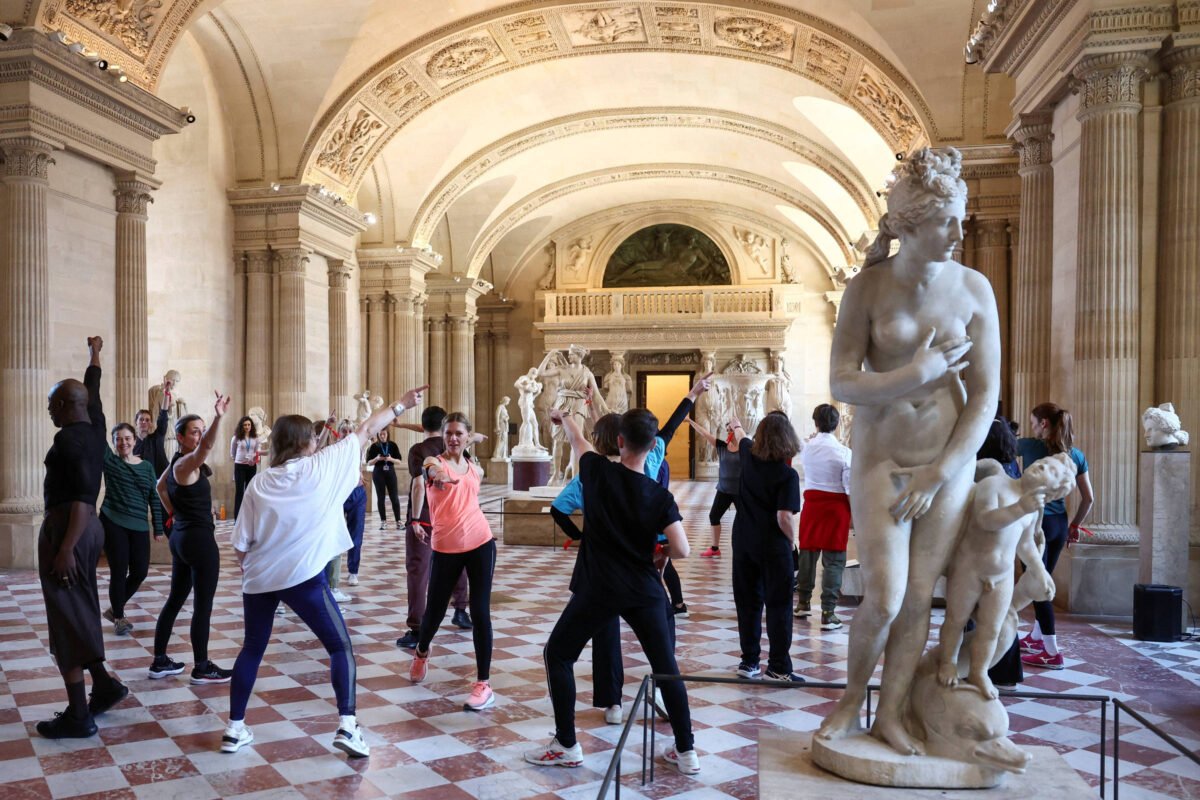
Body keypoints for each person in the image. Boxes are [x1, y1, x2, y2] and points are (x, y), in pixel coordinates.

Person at [816, 147, 1000, 756]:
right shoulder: (867, 289)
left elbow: (985, 396)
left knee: (921, 596)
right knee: (886, 595)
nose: (958, 231)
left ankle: (889, 714)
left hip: (946, 466)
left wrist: (946, 471)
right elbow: (842, 383)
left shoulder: (974, 290)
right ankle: (850, 701)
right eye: (945, 219)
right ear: (909, 224)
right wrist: (917, 371)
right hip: (880, 463)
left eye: (961, 216)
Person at [220, 384, 428, 758]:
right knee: (339, 646)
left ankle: (234, 729)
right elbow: (365, 429)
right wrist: (402, 404)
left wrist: (254, 573)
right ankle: (348, 726)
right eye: (313, 439)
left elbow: (239, 544)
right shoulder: (321, 466)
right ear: (305, 443)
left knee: (252, 648)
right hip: (303, 578)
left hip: (259, 579)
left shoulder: (259, 482)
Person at [526, 407, 699, 775]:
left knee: (558, 654)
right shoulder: (658, 495)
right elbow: (682, 549)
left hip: (599, 588)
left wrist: (565, 416)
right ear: (653, 446)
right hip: (644, 590)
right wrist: (662, 553)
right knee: (667, 669)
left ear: (619, 442)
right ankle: (686, 752)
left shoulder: (597, 472)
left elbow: (578, 440)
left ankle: (567, 744)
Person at [36, 336, 128, 738]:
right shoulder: (95, 425)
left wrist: (65, 548)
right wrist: (94, 354)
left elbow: (79, 495)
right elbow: (93, 389)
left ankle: (78, 715)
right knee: (81, 605)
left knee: (65, 614)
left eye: (53, 403)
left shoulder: (69, 439)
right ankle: (104, 686)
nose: (49, 410)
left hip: (70, 528)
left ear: (65, 407)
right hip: (90, 529)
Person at [937, 453, 1075, 698]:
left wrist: (1039, 571)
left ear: (1052, 492)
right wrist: (1020, 508)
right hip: (969, 568)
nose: (1042, 465)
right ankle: (948, 662)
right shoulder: (995, 484)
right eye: (1042, 462)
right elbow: (985, 520)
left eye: (1051, 471)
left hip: (1002, 576)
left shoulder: (1032, 511)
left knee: (993, 628)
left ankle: (979, 671)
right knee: (956, 619)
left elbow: (1025, 545)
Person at [408, 413, 497, 713]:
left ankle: (483, 683)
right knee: (434, 611)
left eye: (459, 433)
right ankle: (422, 651)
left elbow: (468, 501)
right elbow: (429, 471)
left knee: (480, 612)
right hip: (446, 548)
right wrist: (438, 477)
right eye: (449, 433)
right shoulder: (435, 463)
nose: (453, 438)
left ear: (467, 436)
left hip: (482, 543)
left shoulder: (476, 470)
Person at [151, 392, 234, 685]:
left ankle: (160, 660)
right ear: (181, 437)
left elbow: (160, 487)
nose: (199, 436)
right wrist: (219, 417)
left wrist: (175, 514)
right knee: (203, 605)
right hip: (198, 542)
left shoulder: (177, 463)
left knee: (175, 599)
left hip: (183, 537)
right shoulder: (185, 464)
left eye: (201, 430)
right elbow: (209, 446)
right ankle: (201, 666)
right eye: (194, 432)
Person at [1017, 402, 1094, 670]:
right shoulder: (1077, 455)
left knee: (1037, 587)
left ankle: (1052, 651)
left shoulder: (1030, 447)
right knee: (1043, 581)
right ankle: (1037, 637)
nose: (1031, 427)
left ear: (1044, 424)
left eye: (1032, 422)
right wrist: (1075, 526)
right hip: (1060, 525)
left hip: (1036, 526)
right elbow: (1088, 499)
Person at [729, 413, 805, 682]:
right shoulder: (788, 476)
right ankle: (778, 667)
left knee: (748, 603)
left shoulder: (748, 456)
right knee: (778, 604)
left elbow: (741, 436)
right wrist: (792, 541)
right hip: (772, 545)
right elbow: (783, 517)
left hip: (744, 540)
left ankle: (749, 662)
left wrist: (736, 423)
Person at [396, 406, 471, 649]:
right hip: (455, 516)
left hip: (427, 517)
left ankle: (417, 627)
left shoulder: (419, 450)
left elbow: (419, 484)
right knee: (458, 564)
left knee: (418, 569)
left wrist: (415, 520)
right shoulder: (455, 448)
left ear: (422, 425)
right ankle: (461, 610)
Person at [100, 422, 166, 636]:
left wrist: (158, 526)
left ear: (135, 440)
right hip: (113, 521)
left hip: (138, 524)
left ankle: (114, 607)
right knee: (119, 571)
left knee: (140, 571)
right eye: (118, 439)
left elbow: (153, 497)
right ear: (113, 442)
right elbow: (98, 433)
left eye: (127, 438)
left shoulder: (146, 466)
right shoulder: (110, 462)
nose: (123, 442)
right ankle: (119, 617)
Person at [794, 404, 852, 631]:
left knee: (807, 555)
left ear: (815, 422)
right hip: (836, 508)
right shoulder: (845, 453)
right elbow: (849, 488)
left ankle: (803, 603)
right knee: (834, 561)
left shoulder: (807, 449)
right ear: (837, 425)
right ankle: (828, 612)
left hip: (812, 505)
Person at [687, 417, 742, 558]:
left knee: (745, 519)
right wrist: (691, 421)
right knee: (714, 516)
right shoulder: (722, 446)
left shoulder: (745, 448)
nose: (730, 432)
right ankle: (715, 548)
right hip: (723, 489)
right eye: (728, 430)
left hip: (740, 491)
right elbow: (705, 433)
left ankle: (746, 547)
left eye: (732, 430)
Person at [365, 428, 402, 530]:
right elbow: (368, 462)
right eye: (380, 434)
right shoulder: (374, 446)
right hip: (378, 472)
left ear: (387, 434)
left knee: (394, 497)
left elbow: (399, 461)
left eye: (384, 434)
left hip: (390, 471)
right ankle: (383, 522)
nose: (382, 436)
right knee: (380, 497)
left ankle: (398, 521)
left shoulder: (392, 445)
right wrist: (377, 459)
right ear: (377, 435)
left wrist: (390, 459)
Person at [133, 387, 170, 477]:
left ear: (150, 423)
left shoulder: (157, 437)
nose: (144, 422)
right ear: (136, 422)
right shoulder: (131, 443)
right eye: (141, 419)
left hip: (158, 481)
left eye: (147, 420)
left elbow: (163, 416)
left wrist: (166, 394)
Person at [230, 415, 259, 519]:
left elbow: (257, 452)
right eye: (245, 425)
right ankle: (237, 518)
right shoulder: (236, 438)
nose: (247, 426)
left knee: (249, 491)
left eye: (249, 424)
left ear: (251, 426)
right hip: (240, 466)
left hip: (251, 466)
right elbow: (232, 453)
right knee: (239, 492)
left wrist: (254, 459)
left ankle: (248, 517)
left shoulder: (255, 438)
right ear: (242, 426)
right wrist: (239, 460)